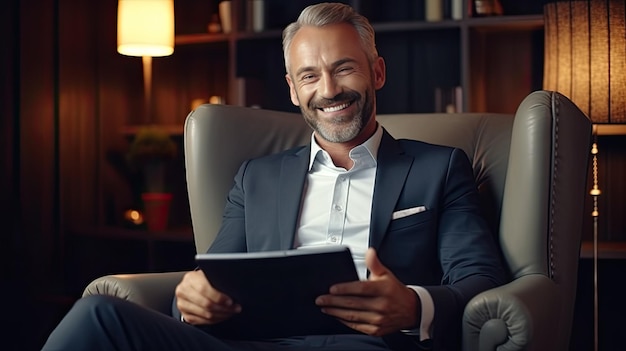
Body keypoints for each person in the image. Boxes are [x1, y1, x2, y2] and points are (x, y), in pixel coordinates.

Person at [43, 3, 506, 350]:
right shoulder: (255, 178)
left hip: (370, 345)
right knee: (98, 314)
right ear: (292, 89)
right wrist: (190, 300)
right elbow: (211, 280)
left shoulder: (439, 168)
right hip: (251, 345)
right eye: (309, 76)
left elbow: (480, 279)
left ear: (377, 72)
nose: (328, 91)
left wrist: (413, 306)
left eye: (344, 68)